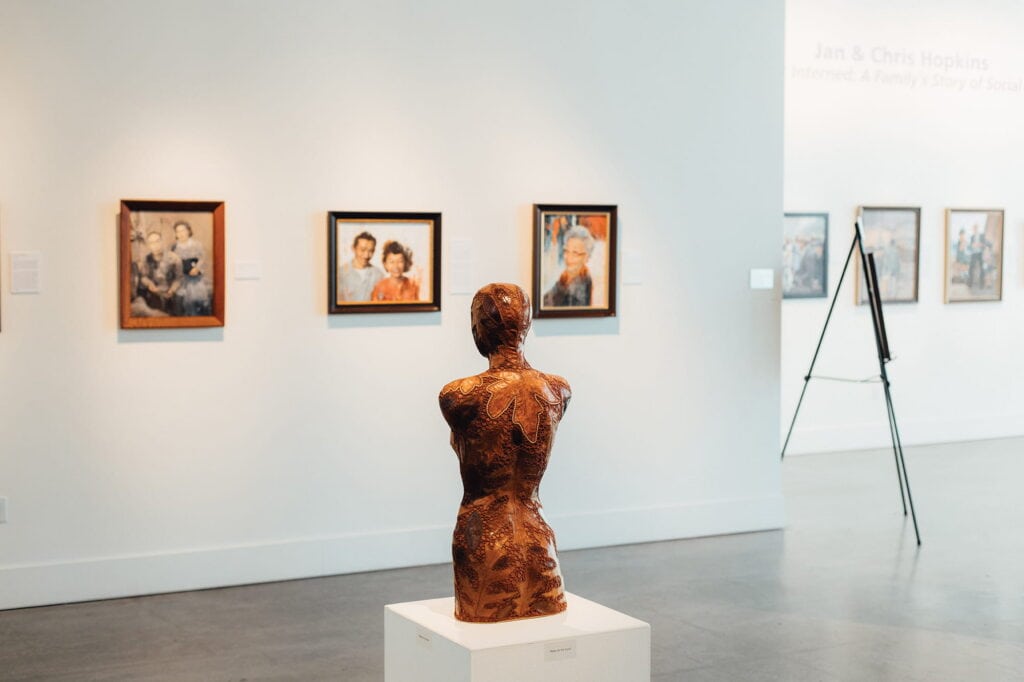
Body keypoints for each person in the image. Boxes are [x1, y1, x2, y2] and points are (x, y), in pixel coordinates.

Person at [439, 283, 571, 622]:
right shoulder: (557, 389)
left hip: (484, 540)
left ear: (479, 329)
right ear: (527, 325)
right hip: (539, 543)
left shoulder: (459, 396)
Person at [542, 224, 594, 307]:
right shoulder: (564, 278)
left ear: (586, 257)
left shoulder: (582, 283)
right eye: (566, 251)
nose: (568, 257)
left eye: (575, 252)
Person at [171, 221, 212, 316]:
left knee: (197, 298)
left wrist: (197, 268)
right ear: (176, 234)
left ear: (188, 231)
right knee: (179, 299)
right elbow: (172, 264)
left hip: (196, 277)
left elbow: (203, 258)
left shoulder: (196, 244)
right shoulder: (174, 247)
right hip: (181, 278)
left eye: (183, 230)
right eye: (178, 231)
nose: (181, 234)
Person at [137, 231, 183, 315]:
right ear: (149, 245)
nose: (155, 245)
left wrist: (172, 290)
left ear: (162, 242)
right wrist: (150, 284)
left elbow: (179, 278)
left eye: (158, 241)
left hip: (171, 291)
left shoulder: (174, 258)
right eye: (152, 243)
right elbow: (144, 277)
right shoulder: (146, 259)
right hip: (154, 292)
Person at [337, 231, 384, 302]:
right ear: (353, 248)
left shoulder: (378, 274)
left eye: (371, 251)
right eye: (362, 250)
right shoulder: (341, 273)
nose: (366, 255)